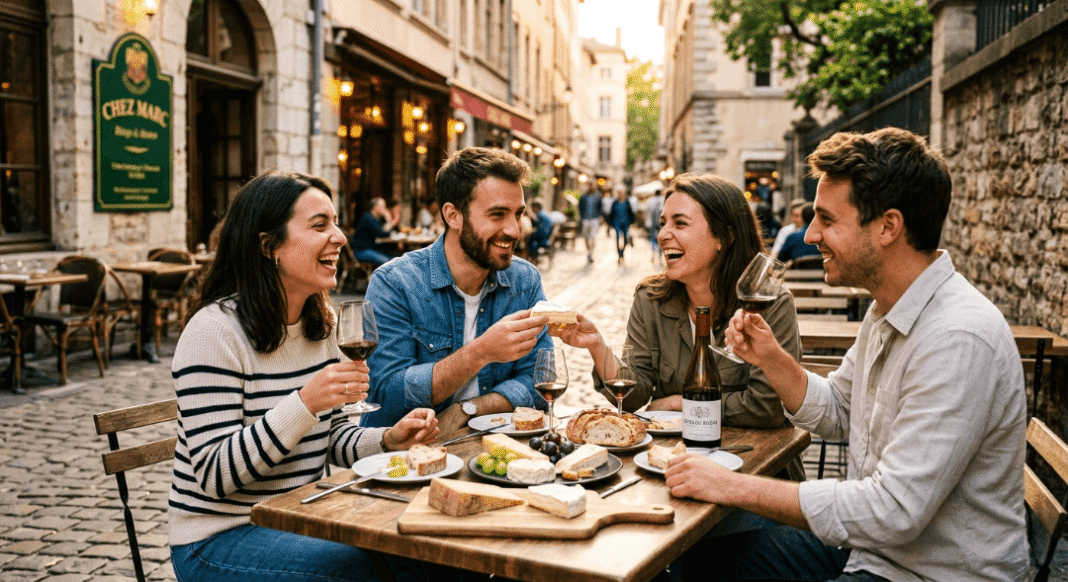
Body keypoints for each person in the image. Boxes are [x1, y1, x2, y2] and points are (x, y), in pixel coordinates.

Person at [667, 128, 1028, 581]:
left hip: (929, 572)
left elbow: (892, 510)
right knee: (694, 561)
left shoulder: (956, 336)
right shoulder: (888, 308)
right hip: (873, 552)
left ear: (887, 227)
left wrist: (731, 486)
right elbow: (839, 410)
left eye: (827, 219)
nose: (811, 234)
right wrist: (772, 359)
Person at [168, 171, 452, 582]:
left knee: (420, 551)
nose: (339, 237)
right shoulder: (214, 332)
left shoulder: (320, 323)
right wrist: (304, 403)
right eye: (320, 225)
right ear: (269, 246)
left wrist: (388, 440)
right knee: (356, 569)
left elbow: (331, 438)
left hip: (300, 519)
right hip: (218, 539)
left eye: (336, 223)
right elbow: (215, 476)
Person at [556, 173, 804, 481]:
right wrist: (597, 346)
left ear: (723, 238)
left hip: (756, 473)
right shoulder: (651, 299)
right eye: (662, 223)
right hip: (672, 468)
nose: (662, 234)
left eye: (680, 223)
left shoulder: (768, 303)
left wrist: (679, 404)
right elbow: (634, 398)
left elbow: (765, 407)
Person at [361, 147, 554, 435]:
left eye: (518, 214)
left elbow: (541, 379)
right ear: (453, 215)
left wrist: (469, 409)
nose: (514, 230)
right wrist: (481, 352)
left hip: (493, 451)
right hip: (403, 465)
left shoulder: (523, 280)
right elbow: (387, 395)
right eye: (498, 214)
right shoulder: (395, 283)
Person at [349, 196, 396, 268]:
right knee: (388, 262)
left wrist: (387, 220)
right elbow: (381, 233)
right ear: (376, 207)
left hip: (370, 249)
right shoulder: (368, 218)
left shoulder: (376, 219)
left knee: (393, 258)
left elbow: (384, 231)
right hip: (361, 251)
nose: (385, 209)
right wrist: (389, 219)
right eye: (383, 206)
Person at [608, 188, 635, 263]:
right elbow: (612, 213)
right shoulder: (615, 203)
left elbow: (630, 212)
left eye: (622, 193)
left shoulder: (627, 202)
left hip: (626, 223)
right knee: (617, 239)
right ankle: (619, 254)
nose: (621, 195)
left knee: (626, 239)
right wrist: (610, 223)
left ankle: (622, 252)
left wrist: (632, 222)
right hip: (617, 223)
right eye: (620, 193)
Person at [578, 184, 602, 262]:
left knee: (593, 237)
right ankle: (588, 251)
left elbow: (600, 207)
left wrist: (600, 217)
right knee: (586, 237)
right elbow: (580, 207)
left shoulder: (598, 196)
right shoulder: (584, 196)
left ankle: (591, 253)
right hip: (585, 219)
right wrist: (581, 217)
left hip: (594, 219)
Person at [644, 189, 664, 264]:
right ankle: (660, 256)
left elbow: (647, 210)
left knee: (653, 239)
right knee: (661, 239)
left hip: (652, 223)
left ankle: (653, 254)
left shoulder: (650, 200)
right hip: (661, 223)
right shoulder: (663, 200)